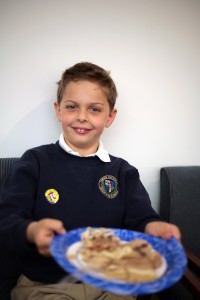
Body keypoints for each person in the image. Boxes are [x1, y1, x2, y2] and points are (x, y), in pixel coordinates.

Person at [0, 62, 180, 300]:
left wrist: (153, 227)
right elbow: (7, 218)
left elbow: (141, 217)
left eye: (94, 109)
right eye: (72, 107)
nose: (82, 117)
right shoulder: (34, 161)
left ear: (110, 116)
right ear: (58, 110)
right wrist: (31, 230)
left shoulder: (123, 171)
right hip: (45, 285)